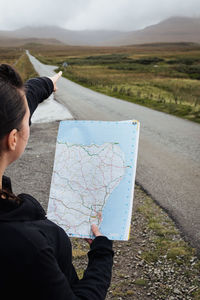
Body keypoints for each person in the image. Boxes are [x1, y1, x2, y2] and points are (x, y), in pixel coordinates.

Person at [0, 64, 114, 300]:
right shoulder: (27, 246)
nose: (28, 120)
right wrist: (102, 253)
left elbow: (20, 102)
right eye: (26, 119)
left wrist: (45, 85)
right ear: (13, 139)